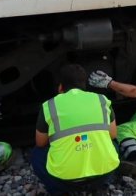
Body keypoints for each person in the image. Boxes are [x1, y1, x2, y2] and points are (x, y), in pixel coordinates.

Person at [31, 63, 122, 194]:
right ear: (84, 85)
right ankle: (102, 185)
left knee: (37, 154)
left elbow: (40, 142)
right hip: (101, 176)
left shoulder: (49, 106)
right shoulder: (102, 99)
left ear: (60, 87)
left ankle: (59, 191)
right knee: (113, 144)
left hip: (64, 181)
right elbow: (113, 134)